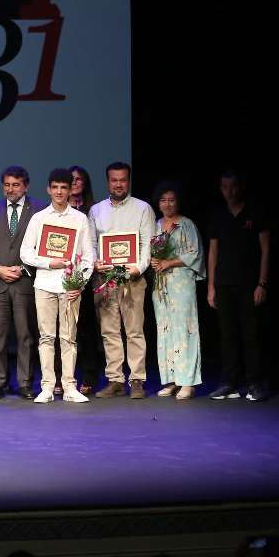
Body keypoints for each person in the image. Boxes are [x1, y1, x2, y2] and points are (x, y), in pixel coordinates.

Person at [21, 169, 95, 402]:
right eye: (55, 187)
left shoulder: (80, 219)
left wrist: (79, 283)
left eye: (64, 187)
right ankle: (47, 387)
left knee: (69, 338)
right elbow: (25, 253)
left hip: (70, 287)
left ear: (70, 190)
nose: (60, 191)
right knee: (46, 337)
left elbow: (88, 258)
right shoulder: (39, 218)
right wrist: (50, 262)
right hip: (44, 284)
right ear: (48, 189)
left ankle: (70, 387)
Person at [89, 162, 155, 400]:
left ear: (129, 181)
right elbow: (92, 245)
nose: (118, 184)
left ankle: (137, 380)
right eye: (114, 180)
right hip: (105, 279)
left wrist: (138, 268)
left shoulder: (143, 208)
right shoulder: (96, 210)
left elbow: (147, 243)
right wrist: (95, 262)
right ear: (108, 182)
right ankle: (115, 380)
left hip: (133, 279)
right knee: (109, 331)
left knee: (135, 330)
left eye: (123, 180)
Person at [207, 171, 271, 401]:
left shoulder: (255, 212)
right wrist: (211, 287)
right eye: (224, 187)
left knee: (251, 335)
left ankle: (255, 382)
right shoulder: (218, 216)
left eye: (233, 186)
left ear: (240, 187)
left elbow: (265, 250)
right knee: (228, 335)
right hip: (224, 284)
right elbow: (213, 252)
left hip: (249, 284)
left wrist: (262, 283)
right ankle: (229, 383)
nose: (229, 191)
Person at [0, 166, 41, 400]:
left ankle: (25, 383)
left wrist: (24, 268)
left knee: (26, 336)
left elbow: (41, 246)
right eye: (6, 184)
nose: (10, 189)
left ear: (26, 185)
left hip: (24, 282)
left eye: (15, 185)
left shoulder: (38, 209)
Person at [150, 183, 204, 400]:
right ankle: (171, 380)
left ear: (178, 201)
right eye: (163, 200)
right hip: (160, 285)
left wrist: (168, 263)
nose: (167, 204)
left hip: (181, 283)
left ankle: (188, 382)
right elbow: (148, 248)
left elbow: (195, 253)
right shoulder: (155, 225)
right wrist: (153, 260)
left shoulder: (186, 225)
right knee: (165, 329)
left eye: (171, 200)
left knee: (184, 330)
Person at [68, 165, 101, 395]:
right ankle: (63, 377)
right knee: (64, 329)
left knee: (87, 329)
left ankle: (89, 376)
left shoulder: (95, 210)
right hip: (62, 274)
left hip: (88, 276)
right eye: (72, 179)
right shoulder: (57, 211)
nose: (75, 182)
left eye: (80, 179)